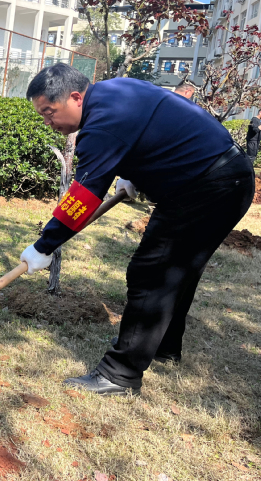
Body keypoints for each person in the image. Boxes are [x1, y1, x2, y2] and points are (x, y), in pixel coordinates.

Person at [20, 64, 254, 396]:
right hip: (227, 177)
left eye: (49, 111)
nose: (48, 122)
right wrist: (132, 174)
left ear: (75, 97)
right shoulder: (116, 91)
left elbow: (83, 196)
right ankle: (163, 347)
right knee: (176, 272)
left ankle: (120, 374)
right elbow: (153, 127)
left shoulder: (101, 125)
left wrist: (44, 246)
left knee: (152, 271)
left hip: (209, 187)